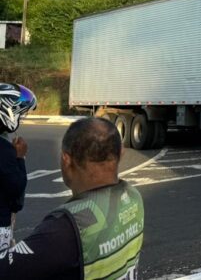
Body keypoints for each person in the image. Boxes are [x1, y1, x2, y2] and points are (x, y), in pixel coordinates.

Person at [0, 117, 145, 279]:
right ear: (121, 153)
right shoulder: (133, 198)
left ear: (66, 160)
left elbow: (6, 270)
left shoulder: (66, 228)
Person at [0, 83, 36, 258]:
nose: (20, 118)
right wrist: (20, 157)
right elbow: (16, 192)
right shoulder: (5, 150)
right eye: (19, 113)